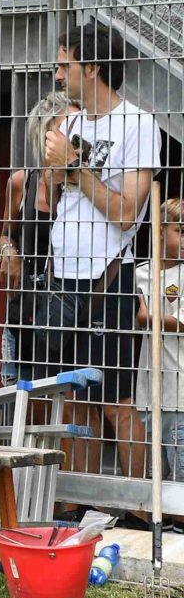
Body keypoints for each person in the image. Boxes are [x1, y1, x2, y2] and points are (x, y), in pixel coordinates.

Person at [45, 22, 160, 477]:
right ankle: (79, 501)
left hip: (108, 277)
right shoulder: (71, 122)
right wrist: (54, 170)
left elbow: (127, 212)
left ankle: (140, 505)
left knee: (115, 401)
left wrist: (73, 168)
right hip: (62, 275)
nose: (58, 74)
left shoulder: (138, 123)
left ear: (92, 68)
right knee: (74, 399)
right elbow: (50, 197)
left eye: (65, 65)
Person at [0, 91, 79, 385]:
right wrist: (9, 252)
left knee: (66, 395)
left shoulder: (82, 189)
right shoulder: (22, 181)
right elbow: (6, 233)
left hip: (67, 312)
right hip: (25, 310)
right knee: (19, 396)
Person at [136, 196, 183, 530]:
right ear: (160, 230)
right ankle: (161, 520)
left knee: (180, 462)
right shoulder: (141, 273)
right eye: (181, 231)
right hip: (149, 388)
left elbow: (178, 322)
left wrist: (149, 317)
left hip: (180, 389)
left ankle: (180, 519)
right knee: (157, 463)